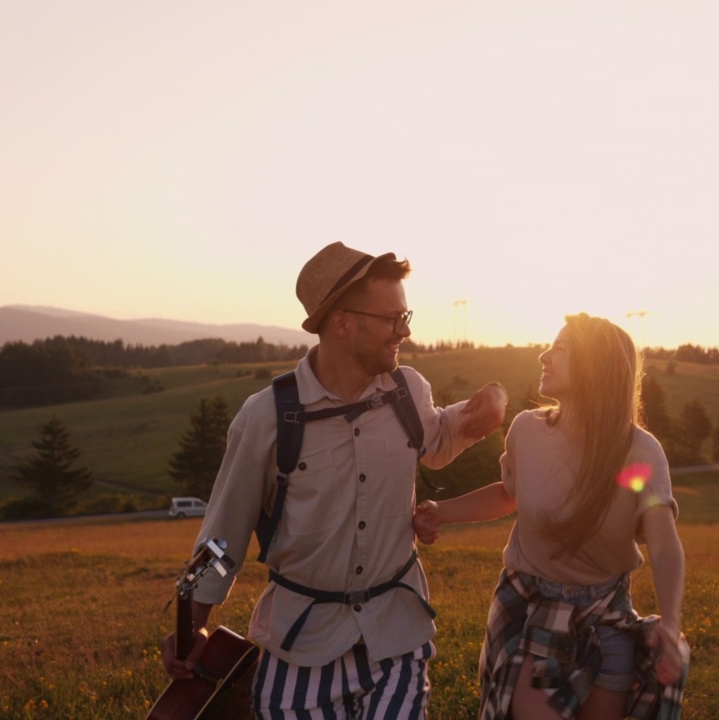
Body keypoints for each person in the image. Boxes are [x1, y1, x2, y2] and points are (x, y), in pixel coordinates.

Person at [160, 241, 508, 719]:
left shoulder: (410, 390)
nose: (403, 331)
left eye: (406, 317)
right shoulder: (267, 416)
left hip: (396, 636)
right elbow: (224, 533)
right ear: (343, 322)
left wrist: (480, 415)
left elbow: (434, 441)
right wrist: (193, 623)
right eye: (393, 319)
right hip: (300, 644)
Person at [414, 313, 688, 720]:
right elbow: (510, 495)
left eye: (561, 348)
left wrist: (670, 623)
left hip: (607, 616)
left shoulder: (638, 453)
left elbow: (663, 541)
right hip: (538, 610)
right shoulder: (527, 431)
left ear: (595, 366)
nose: (544, 355)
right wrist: (442, 511)